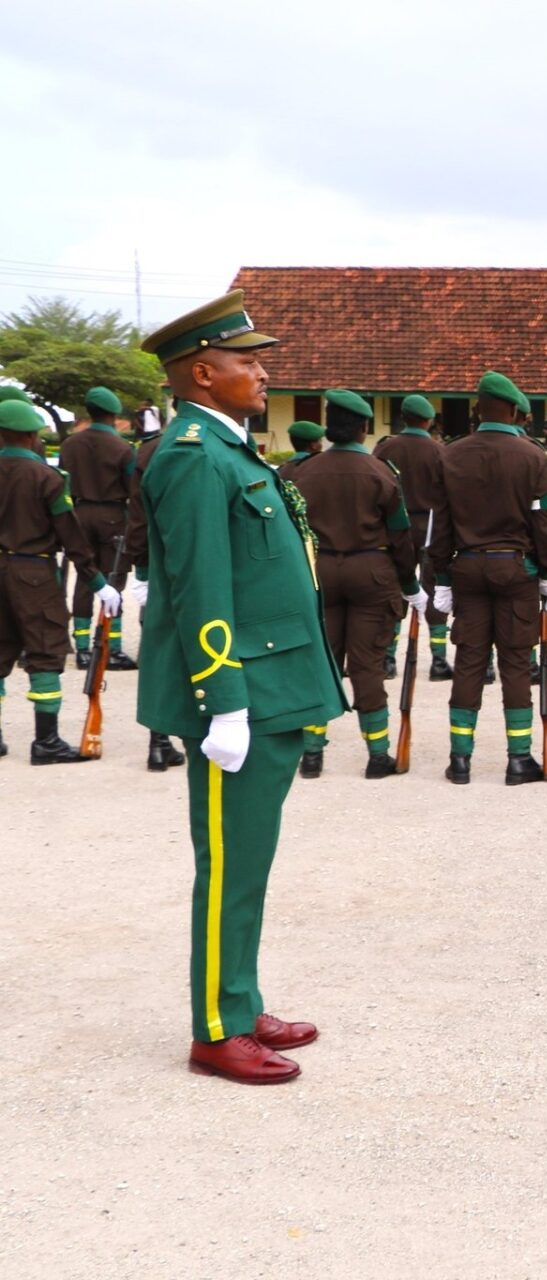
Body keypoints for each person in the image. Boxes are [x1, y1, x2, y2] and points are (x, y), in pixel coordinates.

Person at [136, 290, 345, 1084]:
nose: (262, 373)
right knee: (228, 863)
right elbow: (199, 586)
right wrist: (222, 697)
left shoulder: (225, 448)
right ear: (200, 372)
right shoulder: (193, 454)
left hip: (272, 681)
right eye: (246, 362)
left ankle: (239, 995)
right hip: (243, 691)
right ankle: (216, 1030)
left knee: (249, 860)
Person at [426, 371, 547, 785]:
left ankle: (460, 760)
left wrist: (443, 575)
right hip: (514, 567)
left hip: (467, 565)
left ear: (479, 410)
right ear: (515, 410)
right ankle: (518, 759)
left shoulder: (450, 454)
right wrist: (545, 569)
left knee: (469, 660)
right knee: (516, 663)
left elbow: (441, 522)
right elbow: (544, 521)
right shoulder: (533, 456)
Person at [287, 388, 427, 780]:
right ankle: (377, 755)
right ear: (364, 428)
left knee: (323, 662)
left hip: (322, 572)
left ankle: (312, 754)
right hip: (370, 569)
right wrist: (408, 582)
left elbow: (291, 532)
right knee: (367, 665)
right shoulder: (381, 471)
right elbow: (400, 535)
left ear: (329, 428)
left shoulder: (303, 471)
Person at [0, 398, 117, 763]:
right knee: (47, 650)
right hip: (33, 572)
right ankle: (45, 742)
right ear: (33, 436)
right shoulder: (45, 478)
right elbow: (71, 537)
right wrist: (98, 583)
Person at [122, 401, 188, 771]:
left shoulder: (147, 450)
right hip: (197, 566)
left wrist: (142, 570)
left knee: (161, 653)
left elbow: (138, 516)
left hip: (158, 566)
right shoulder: (214, 442)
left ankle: (158, 742)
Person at [374, 394, 452, 681]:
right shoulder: (439, 451)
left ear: (402, 418)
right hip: (431, 529)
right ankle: (439, 661)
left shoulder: (384, 449)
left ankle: (388, 659)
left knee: (396, 591)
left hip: (395, 529)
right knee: (433, 592)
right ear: (429, 420)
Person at [59, 386, 138, 670]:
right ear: (115, 414)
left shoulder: (69, 444)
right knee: (114, 581)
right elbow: (133, 490)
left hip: (79, 514)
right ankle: (109, 647)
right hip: (113, 516)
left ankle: (80, 649)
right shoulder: (123, 448)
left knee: (84, 578)